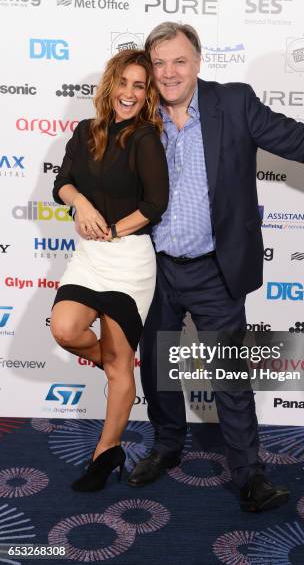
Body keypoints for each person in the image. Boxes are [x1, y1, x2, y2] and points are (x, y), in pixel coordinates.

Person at [50, 49, 169, 492]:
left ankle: (106, 451)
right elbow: (61, 182)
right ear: (110, 86)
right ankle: (120, 369)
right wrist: (80, 204)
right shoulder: (86, 131)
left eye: (139, 86)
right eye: (124, 83)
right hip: (89, 257)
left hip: (129, 261)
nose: (130, 93)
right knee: (64, 329)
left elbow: (156, 205)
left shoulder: (145, 138)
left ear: (147, 93)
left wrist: (113, 229)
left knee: (121, 365)